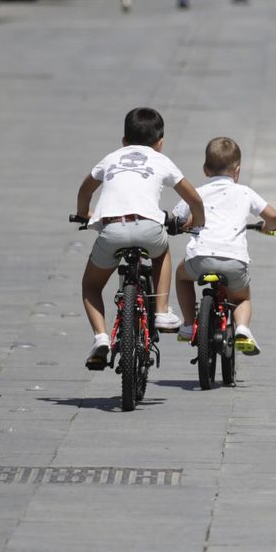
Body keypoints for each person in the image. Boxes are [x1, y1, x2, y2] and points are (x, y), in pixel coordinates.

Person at [74, 108, 205, 369]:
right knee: (162, 251)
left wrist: (83, 215)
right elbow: (194, 199)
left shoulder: (111, 158)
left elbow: (85, 189)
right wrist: (197, 222)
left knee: (91, 286)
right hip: (148, 227)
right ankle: (160, 310)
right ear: (161, 142)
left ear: (124, 140)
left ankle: (101, 337)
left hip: (112, 228)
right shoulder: (161, 160)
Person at [169, 137, 276, 355]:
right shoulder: (245, 192)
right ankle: (242, 329)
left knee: (182, 276)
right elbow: (273, 216)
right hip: (234, 261)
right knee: (241, 297)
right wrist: (267, 228)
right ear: (237, 171)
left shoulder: (197, 192)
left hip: (200, 258)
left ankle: (189, 323)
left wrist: (184, 225)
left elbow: (176, 218)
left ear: (205, 169)